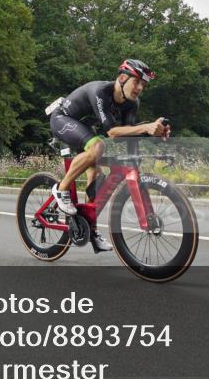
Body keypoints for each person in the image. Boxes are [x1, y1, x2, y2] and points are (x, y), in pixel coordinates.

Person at [47, 59, 170, 253]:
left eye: (143, 85)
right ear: (122, 78)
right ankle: (61, 190)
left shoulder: (132, 104)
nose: (139, 88)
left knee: (97, 177)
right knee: (98, 147)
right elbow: (112, 132)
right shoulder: (101, 92)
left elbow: (127, 133)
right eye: (137, 82)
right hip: (63, 119)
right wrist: (145, 127)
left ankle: (91, 229)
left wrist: (153, 131)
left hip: (86, 129)